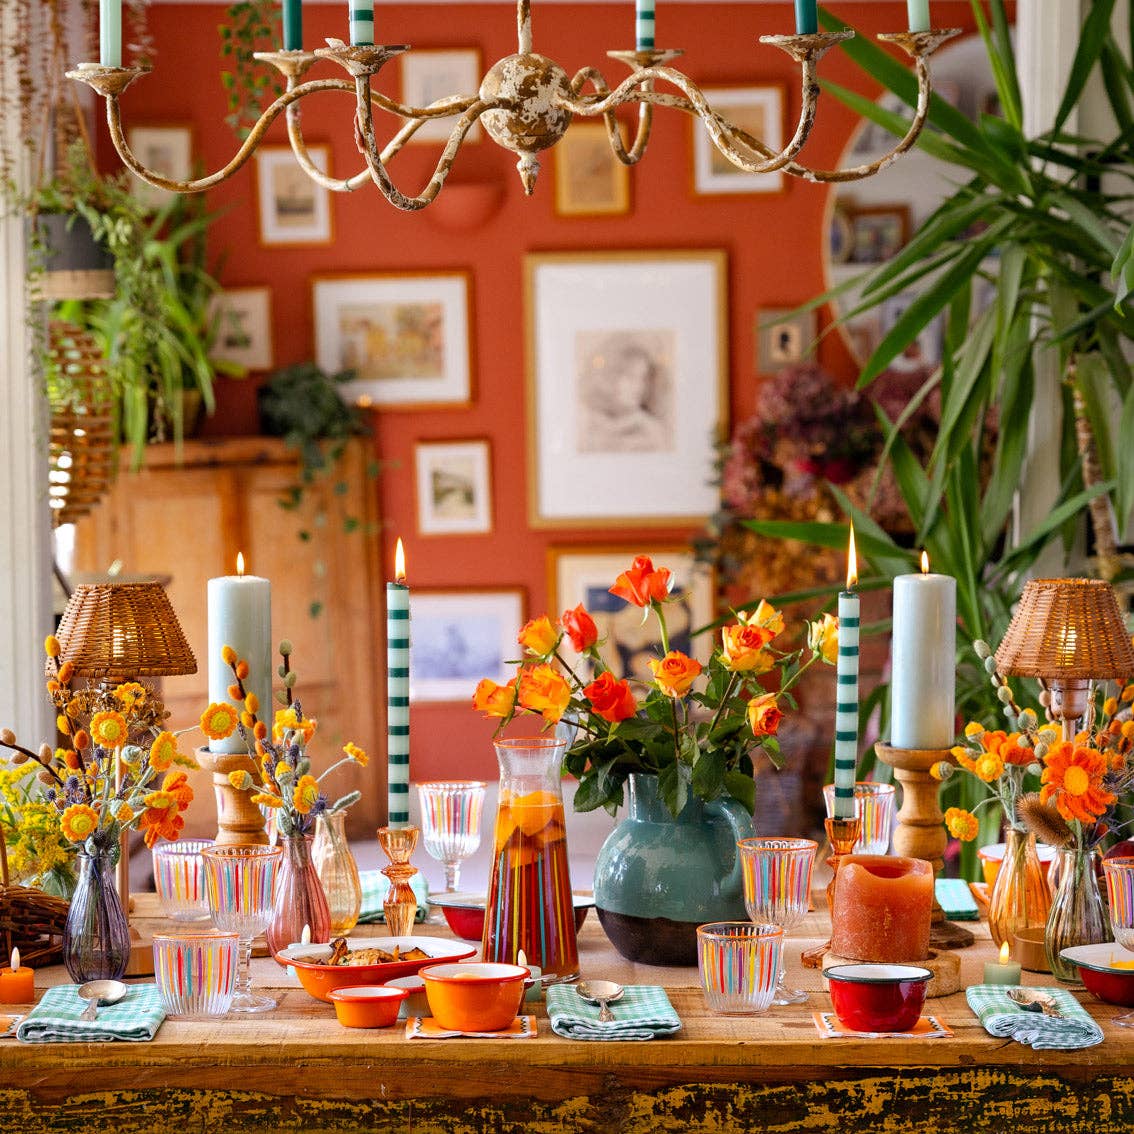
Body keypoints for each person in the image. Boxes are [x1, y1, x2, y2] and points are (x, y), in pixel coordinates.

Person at [578, 335, 674, 454]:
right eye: (631, 377)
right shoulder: (588, 424)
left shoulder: (652, 432)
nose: (639, 387)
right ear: (611, 379)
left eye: (642, 378)